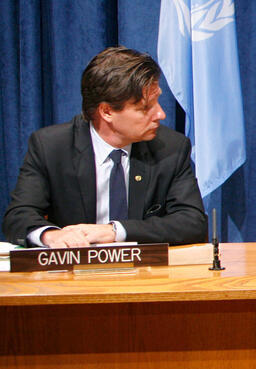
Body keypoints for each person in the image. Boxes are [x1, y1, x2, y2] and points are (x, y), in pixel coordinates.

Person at [3, 47, 206, 247]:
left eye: (157, 101)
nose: (160, 114)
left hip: (145, 273)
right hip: (73, 273)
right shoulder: (51, 147)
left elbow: (192, 223)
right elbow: (18, 217)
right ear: (107, 111)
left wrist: (114, 231)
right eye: (145, 108)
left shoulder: (171, 148)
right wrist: (51, 236)